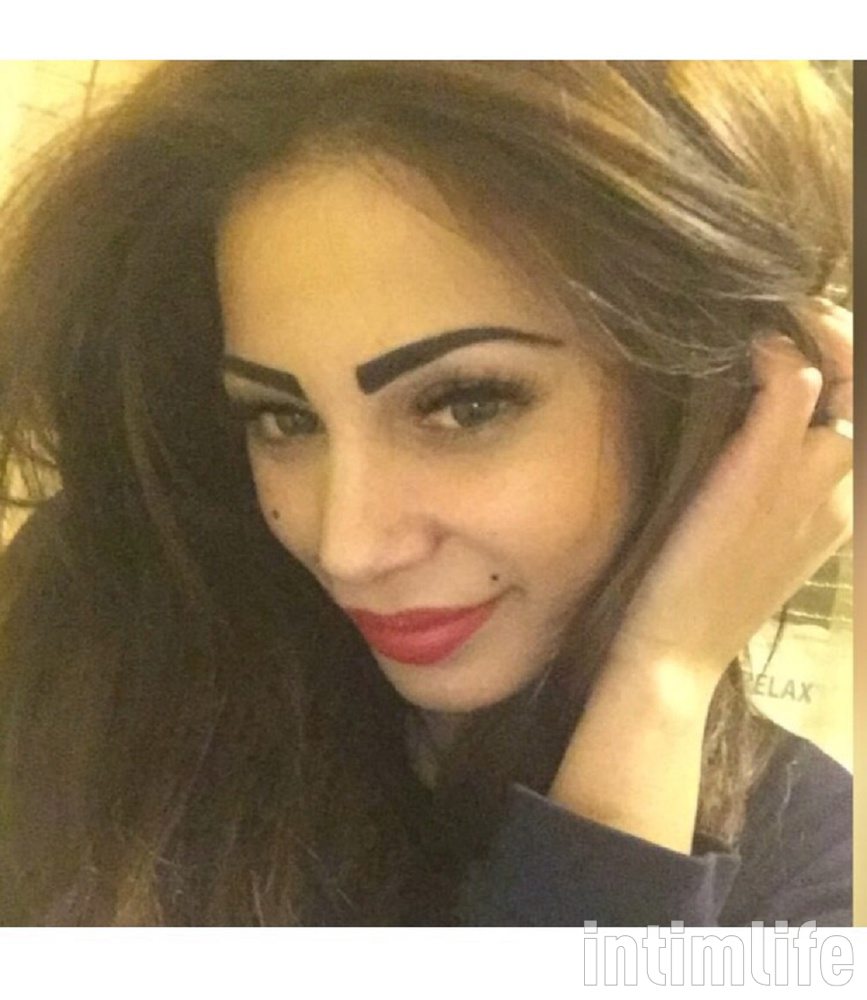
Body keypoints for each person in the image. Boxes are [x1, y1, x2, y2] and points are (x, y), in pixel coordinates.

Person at [0, 60, 853, 926]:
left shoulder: (813, 871)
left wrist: (658, 685)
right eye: (282, 418)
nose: (348, 549)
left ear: (723, 403)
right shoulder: (106, 637)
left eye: (465, 405)